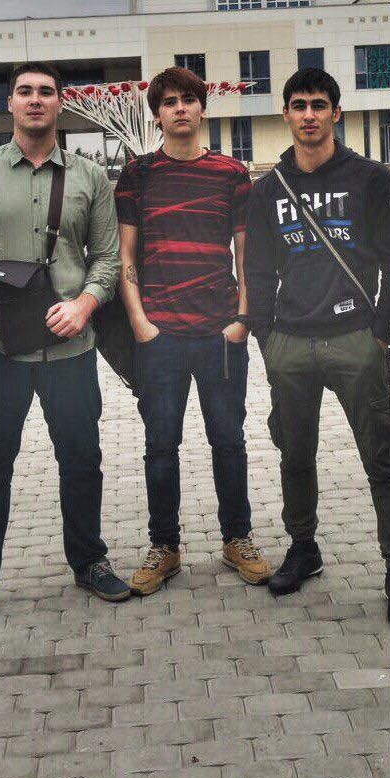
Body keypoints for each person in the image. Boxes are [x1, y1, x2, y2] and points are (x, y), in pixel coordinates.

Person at [0, 62, 128, 628]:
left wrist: (85, 304)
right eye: (25, 91)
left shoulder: (90, 177)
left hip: (70, 346)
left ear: (60, 103)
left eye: (46, 91)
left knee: (82, 459)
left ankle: (88, 560)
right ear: (11, 103)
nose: (35, 100)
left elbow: (108, 257)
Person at [244, 67, 390, 628]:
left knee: (381, 458)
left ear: (336, 113)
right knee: (294, 455)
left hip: (354, 340)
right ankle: (304, 547)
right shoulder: (268, 189)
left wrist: (380, 334)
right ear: (285, 114)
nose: (309, 115)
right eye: (299, 105)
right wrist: (266, 338)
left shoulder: (370, 178)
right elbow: (256, 268)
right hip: (291, 343)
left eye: (319, 105)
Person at [115, 66, 270, 594]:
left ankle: (237, 539)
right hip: (159, 335)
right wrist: (140, 323)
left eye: (189, 99)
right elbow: (125, 254)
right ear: (157, 115)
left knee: (228, 439)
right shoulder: (138, 174)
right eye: (169, 102)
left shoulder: (231, 174)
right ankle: (165, 547)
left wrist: (241, 321)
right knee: (160, 444)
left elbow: (246, 253)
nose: (180, 108)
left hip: (219, 333)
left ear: (203, 108)